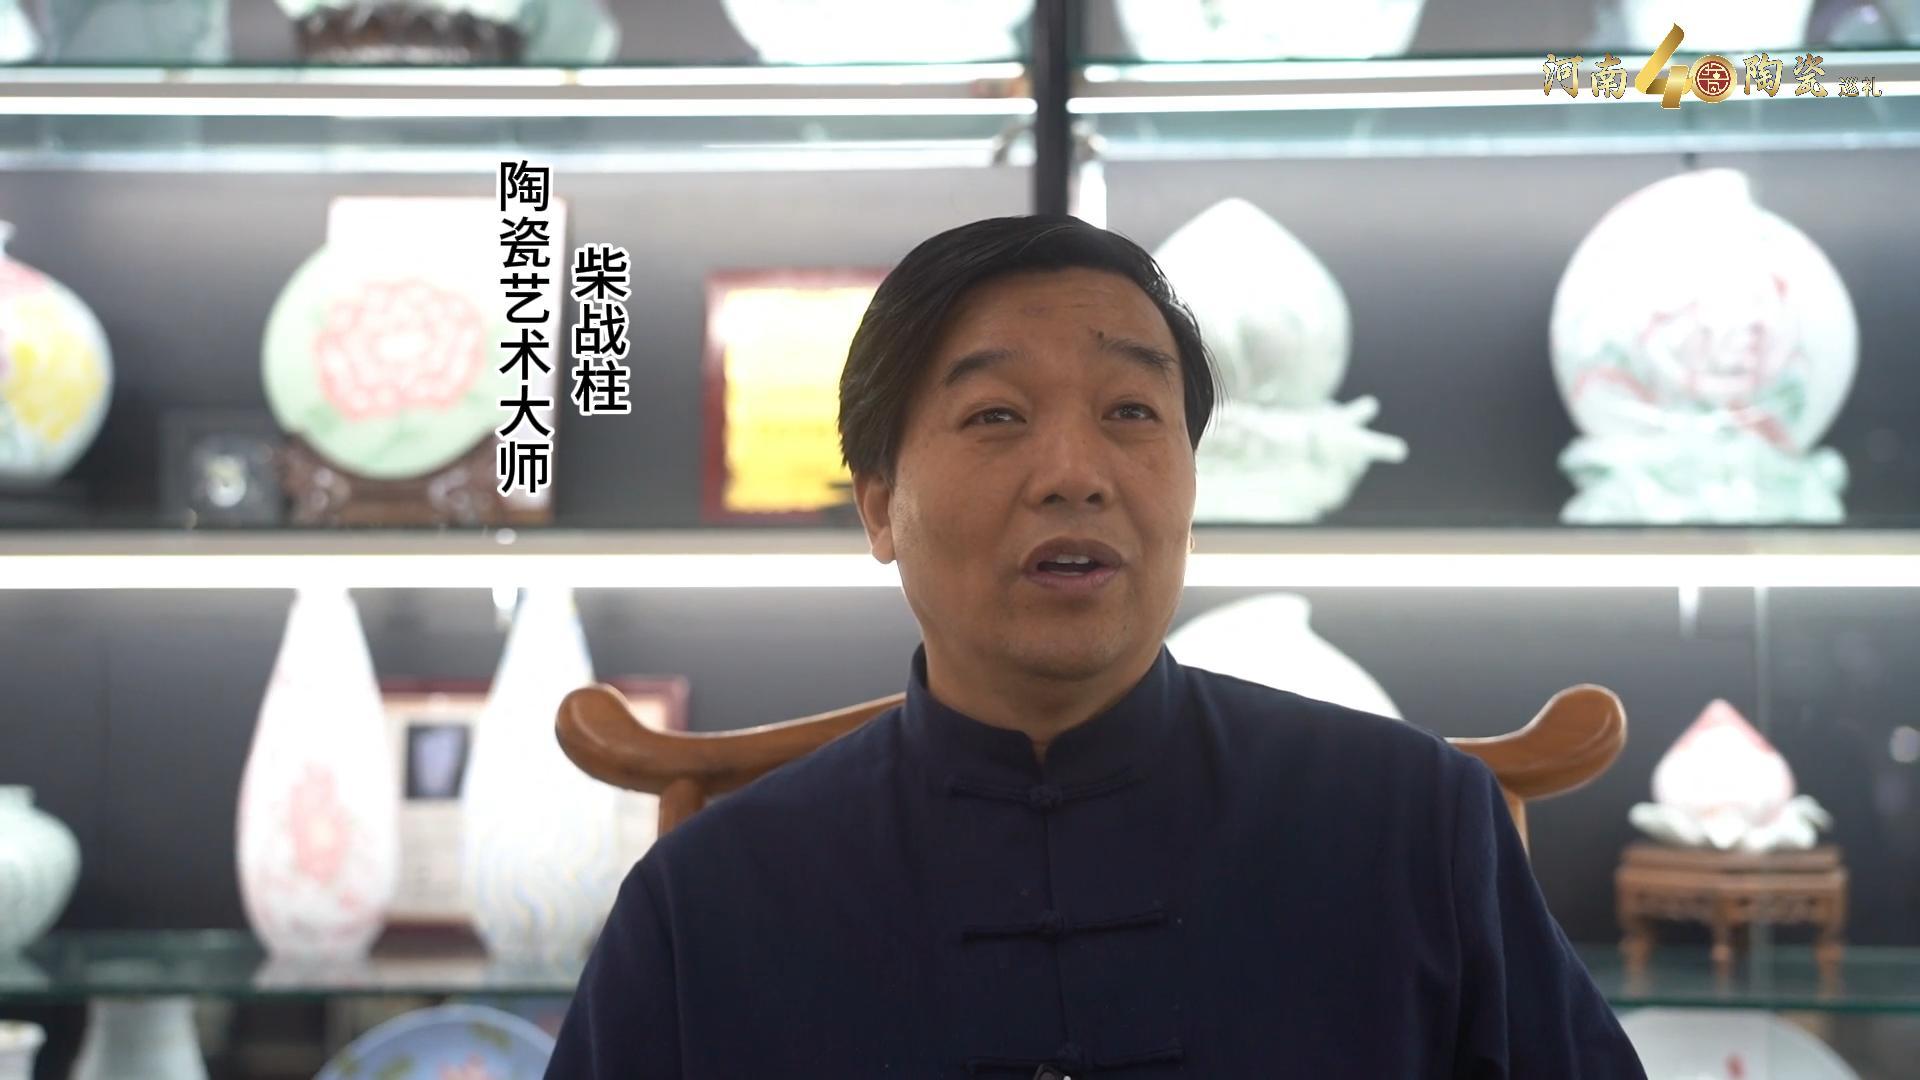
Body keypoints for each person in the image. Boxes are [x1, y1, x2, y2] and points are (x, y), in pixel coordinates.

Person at [545, 215, 1647, 1078]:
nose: (1076, 473)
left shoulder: (1420, 828)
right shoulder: (705, 904)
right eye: (996, 416)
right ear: (879, 506)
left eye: (1131, 412)